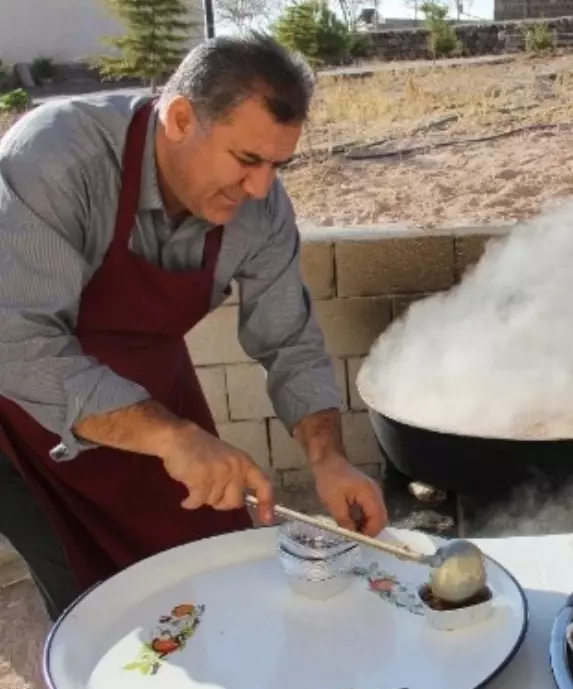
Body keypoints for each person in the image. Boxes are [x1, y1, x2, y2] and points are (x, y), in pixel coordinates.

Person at [0, 33, 388, 622]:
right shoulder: (54, 159)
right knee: (97, 611)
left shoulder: (261, 207)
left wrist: (328, 457)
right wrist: (172, 438)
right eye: (247, 159)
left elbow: (289, 340)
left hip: (156, 398)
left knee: (212, 573)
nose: (261, 188)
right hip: (24, 419)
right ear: (181, 118)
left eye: (277, 165)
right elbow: (18, 345)